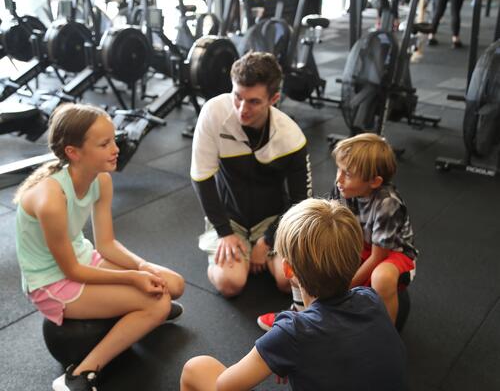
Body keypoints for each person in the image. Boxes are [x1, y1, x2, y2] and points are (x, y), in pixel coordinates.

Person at [14, 103, 185, 391]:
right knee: (157, 302)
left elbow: (106, 244)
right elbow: (71, 270)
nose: (115, 148)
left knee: (174, 284)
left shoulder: (101, 180)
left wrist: (143, 267)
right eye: (104, 144)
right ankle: (81, 373)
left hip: (82, 259)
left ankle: (141, 313)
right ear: (73, 152)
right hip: (50, 282)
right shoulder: (51, 199)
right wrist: (133, 278)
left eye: (114, 139)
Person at [180, 198, 408, 391]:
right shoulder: (370, 299)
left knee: (197, 368)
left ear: (288, 270)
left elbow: (224, 386)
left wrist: (283, 342)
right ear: (356, 257)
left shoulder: (292, 334)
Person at [258, 133, 417, 330]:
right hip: (356, 242)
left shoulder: (387, 203)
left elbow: (377, 257)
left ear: (374, 182)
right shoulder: (343, 188)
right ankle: (299, 315)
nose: (339, 179)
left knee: (381, 277)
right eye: (339, 170)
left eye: (348, 174)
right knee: (304, 256)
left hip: (392, 253)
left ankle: (384, 333)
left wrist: (341, 287)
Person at [190, 51, 312, 298]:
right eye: (237, 97)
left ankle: (263, 257)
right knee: (231, 283)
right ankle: (232, 254)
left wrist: (268, 240)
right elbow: (201, 178)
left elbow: (301, 201)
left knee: (288, 281)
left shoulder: (291, 136)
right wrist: (224, 232)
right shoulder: (213, 113)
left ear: (274, 99)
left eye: (254, 102)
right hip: (231, 218)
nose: (242, 109)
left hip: (273, 219)